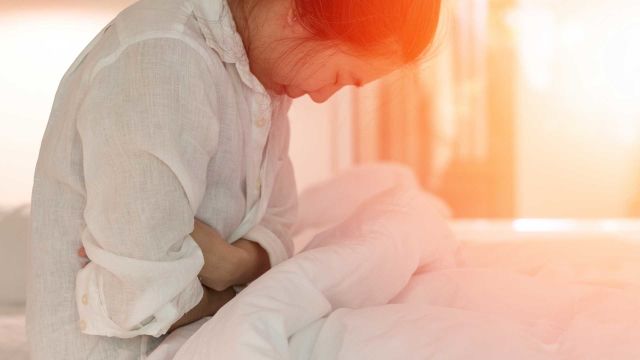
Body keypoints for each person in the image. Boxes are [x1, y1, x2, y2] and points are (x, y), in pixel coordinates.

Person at [26, 0, 442, 358]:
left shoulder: (261, 86)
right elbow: (144, 301)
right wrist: (239, 293)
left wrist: (231, 264)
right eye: (337, 77)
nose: (320, 96)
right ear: (294, 11)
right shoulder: (163, 60)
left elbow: (279, 222)